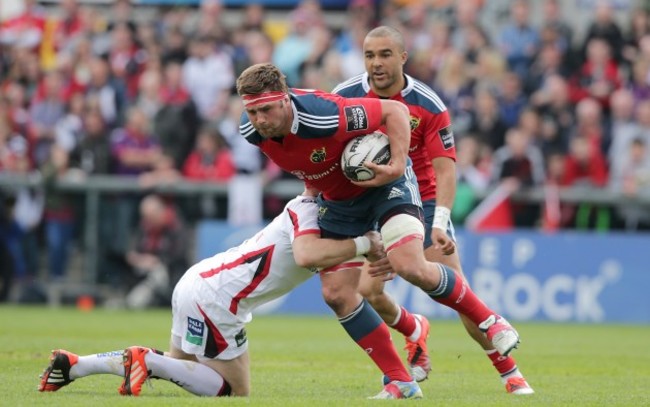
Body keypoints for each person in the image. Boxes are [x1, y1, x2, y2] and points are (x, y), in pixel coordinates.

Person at [236, 62, 522, 399]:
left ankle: (490, 320)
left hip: (384, 187)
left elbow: (395, 111)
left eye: (266, 109)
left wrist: (398, 164)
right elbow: (306, 158)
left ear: (285, 99)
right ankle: (401, 380)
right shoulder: (251, 131)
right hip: (340, 203)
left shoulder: (326, 114)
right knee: (337, 294)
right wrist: (313, 188)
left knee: (409, 265)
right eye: (253, 112)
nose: (260, 120)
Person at [331, 26, 534, 395]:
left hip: (420, 201)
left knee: (458, 293)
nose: (376, 63)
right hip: (369, 203)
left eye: (385, 54)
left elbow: (445, 169)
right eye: (369, 55)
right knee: (367, 291)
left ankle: (510, 371)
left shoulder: (427, 103)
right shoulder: (344, 97)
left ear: (403, 57)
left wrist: (439, 219)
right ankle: (414, 330)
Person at [38, 192, 388, 397]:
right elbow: (308, 255)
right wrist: (364, 245)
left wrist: (366, 247)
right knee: (236, 391)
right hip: (219, 299)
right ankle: (144, 358)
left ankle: (77, 366)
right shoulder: (309, 211)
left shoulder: (323, 215)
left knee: (182, 367)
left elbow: (334, 261)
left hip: (200, 281)